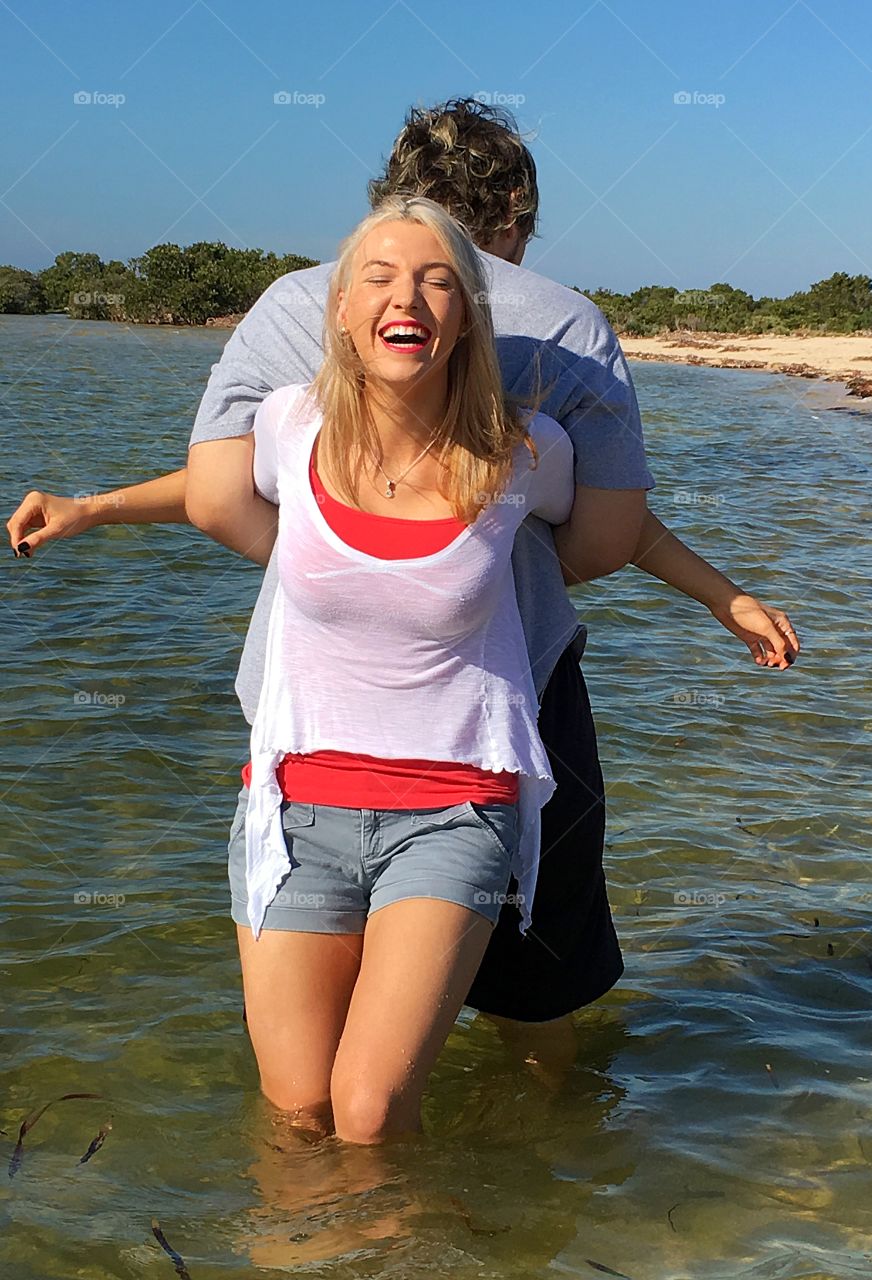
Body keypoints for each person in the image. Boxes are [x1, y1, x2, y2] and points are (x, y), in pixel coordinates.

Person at [7, 99, 798, 1048]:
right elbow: (599, 537)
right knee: (538, 995)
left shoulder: (294, 303)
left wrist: (335, 555)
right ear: (513, 208)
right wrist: (461, 569)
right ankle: (542, 1162)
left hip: (313, 715)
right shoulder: (571, 329)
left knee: (316, 1054)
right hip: (504, 715)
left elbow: (225, 494)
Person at [222, 192, 593, 1141]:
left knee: (370, 1110)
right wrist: (93, 508)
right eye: (381, 277)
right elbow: (210, 492)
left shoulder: (521, 449)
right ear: (341, 308)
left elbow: (618, 529)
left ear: (466, 315)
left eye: (438, 282)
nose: (411, 297)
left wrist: (724, 595)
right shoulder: (289, 424)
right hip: (298, 802)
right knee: (297, 1112)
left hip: (455, 805)